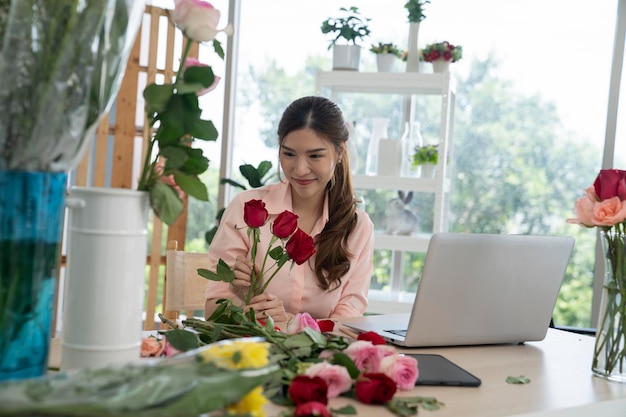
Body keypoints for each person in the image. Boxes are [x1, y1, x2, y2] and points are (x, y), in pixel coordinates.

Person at [204, 96, 374, 322]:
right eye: (289, 154)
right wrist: (242, 298)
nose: (300, 169)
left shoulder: (358, 227)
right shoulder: (247, 208)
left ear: (339, 152)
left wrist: (291, 322)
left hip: (321, 355)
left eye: (315, 156)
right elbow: (213, 312)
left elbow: (347, 322)